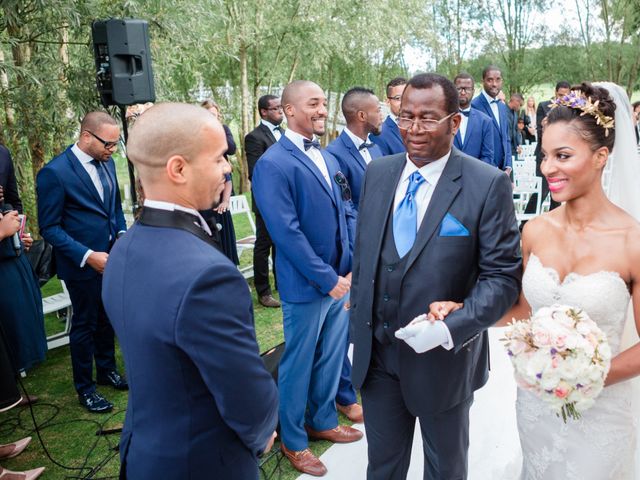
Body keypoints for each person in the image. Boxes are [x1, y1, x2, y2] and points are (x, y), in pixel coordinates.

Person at [429, 82, 640, 479]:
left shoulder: (633, 241)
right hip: (536, 407)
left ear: (601, 157)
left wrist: (582, 376)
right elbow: (524, 310)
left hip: (602, 412)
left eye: (562, 156)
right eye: (545, 156)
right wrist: (465, 310)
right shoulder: (535, 231)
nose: (547, 169)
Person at [349, 73, 521, 480]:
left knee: (445, 469)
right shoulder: (378, 173)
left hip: (444, 361)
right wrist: (357, 329)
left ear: (455, 122)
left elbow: (502, 278)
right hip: (377, 359)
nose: (413, 129)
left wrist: (450, 328)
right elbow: (366, 259)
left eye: (428, 118)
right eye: (406, 117)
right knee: (382, 467)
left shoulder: (485, 183)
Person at [102, 103, 278, 480]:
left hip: (144, 453)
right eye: (218, 158)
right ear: (178, 169)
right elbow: (244, 390)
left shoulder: (123, 248)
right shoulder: (208, 275)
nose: (228, 167)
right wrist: (263, 432)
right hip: (201, 461)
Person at [252, 80, 362, 477]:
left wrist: (349, 267)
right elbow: (285, 232)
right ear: (290, 109)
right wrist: (326, 277)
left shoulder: (329, 158)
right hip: (306, 285)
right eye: (314, 103)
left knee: (333, 357)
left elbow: (346, 212)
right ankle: (294, 440)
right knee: (298, 362)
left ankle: (322, 420)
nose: (322, 109)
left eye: (323, 102)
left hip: (340, 281)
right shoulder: (272, 163)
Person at [36, 112, 128, 413]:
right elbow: (49, 227)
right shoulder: (55, 173)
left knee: (107, 317)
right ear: (86, 135)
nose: (112, 150)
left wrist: (122, 235)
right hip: (81, 264)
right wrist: (88, 256)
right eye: (108, 144)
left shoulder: (109, 163)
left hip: (112, 257)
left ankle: (106, 370)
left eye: (116, 144)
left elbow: (112, 209)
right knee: (85, 323)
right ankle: (85, 388)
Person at [326, 87, 383, 424]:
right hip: (354, 250)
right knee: (344, 325)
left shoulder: (376, 147)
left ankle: (369, 376)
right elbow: (345, 208)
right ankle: (345, 395)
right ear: (362, 115)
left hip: (382, 247)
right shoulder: (335, 154)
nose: (383, 116)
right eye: (378, 110)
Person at [245, 94, 283, 308]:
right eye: (276, 108)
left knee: (282, 242)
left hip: (286, 200)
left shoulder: (285, 134)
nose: (280, 111)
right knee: (264, 244)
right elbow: (256, 172)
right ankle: (263, 291)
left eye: (281, 107)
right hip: (266, 199)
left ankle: (281, 283)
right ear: (263, 112)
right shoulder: (254, 137)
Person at [200, 99, 239, 265]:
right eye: (209, 115)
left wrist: (217, 130)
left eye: (215, 115)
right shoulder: (196, 133)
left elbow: (231, 148)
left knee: (223, 231)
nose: (212, 118)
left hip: (223, 187)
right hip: (203, 189)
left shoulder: (223, 130)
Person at [525, 80, 571, 214]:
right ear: (556, 93)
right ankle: (526, 220)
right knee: (542, 189)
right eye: (561, 95)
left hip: (562, 156)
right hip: (543, 155)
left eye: (566, 95)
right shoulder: (543, 106)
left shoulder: (571, 109)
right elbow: (540, 132)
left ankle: (555, 221)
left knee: (558, 190)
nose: (563, 98)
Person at [471, 66, 513, 172]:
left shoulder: (503, 107)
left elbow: (506, 138)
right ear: (483, 81)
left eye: (498, 80)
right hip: (484, 171)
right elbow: (474, 144)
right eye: (490, 80)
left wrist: (508, 166)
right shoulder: (474, 106)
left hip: (504, 172)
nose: (494, 84)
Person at [452, 72, 494, 165]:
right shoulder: (444, 119)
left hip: (475, 176)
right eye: (459, 89)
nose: (463, 92)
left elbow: (487, 156)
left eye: (467, 89)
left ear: (473, 91)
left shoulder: (485, 121)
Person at [371, 77, 407, 156]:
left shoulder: (419, 128)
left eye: (407, 97)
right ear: (388, 101)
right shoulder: (379, 134)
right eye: (398, 98)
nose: (404, 102)